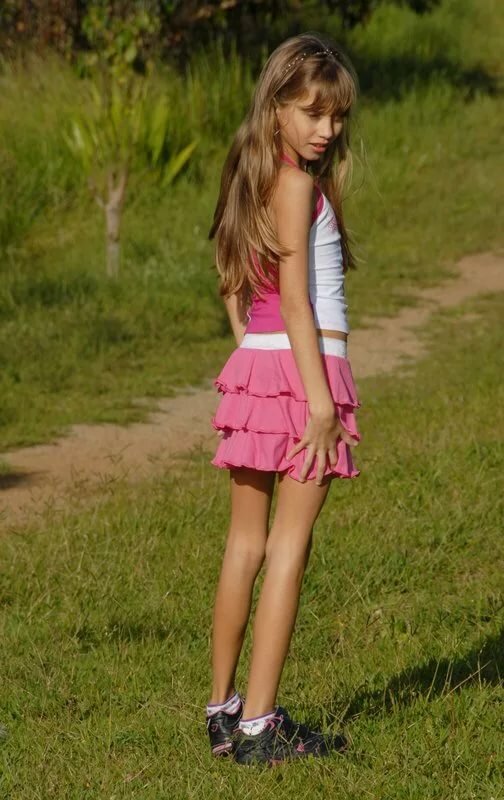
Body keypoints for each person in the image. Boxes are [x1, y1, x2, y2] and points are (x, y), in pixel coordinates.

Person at [205, 32, 361, 766]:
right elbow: (297, 301)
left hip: (260, 366)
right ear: (277, 109)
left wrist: (250, 349)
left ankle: (223, 711)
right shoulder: (297, 185)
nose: (327, 128)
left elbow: (232, 281)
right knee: (289, 547)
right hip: (307, 369)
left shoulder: (253, 175)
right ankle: (260, 728)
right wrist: (321, 403)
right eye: (312, 112)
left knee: (246, 543)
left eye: (336, 115)